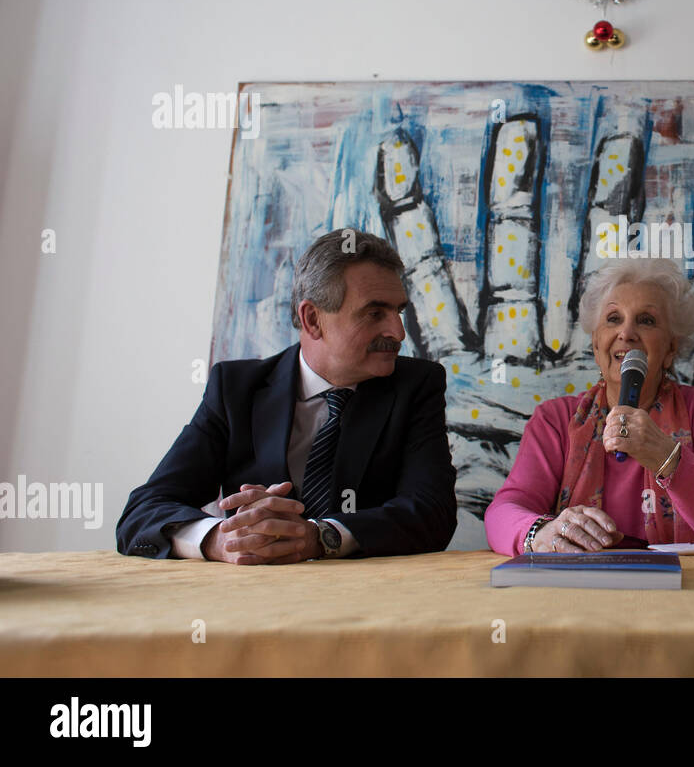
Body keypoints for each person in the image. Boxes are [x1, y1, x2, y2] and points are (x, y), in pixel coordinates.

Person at [117, 229, 457, 563]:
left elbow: (432, 513)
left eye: (398, 311)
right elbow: (143, 513)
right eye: (374, 313)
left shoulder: (416, 385)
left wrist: (320, 536)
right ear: (312, 319)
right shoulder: (235, 389)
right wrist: (220, 540)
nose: (398, 332)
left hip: (369, 599)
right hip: (252, 600)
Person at [485, 258, 694, 555]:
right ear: (595, 343)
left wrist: (667, 458)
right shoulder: (555, 418)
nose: (626, 333)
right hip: (579, 590)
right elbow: (503, 513)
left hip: (682, 589)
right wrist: (540, 532)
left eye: (646, 320)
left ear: (671, 349)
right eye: (614, 318)